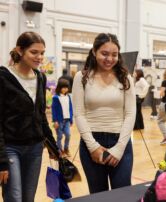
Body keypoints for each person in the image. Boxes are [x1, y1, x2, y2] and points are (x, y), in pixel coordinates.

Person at [72, 33, 136, 194]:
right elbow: (79, 114)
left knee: (122, 194)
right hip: (92, 143)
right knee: (98, 195)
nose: (109, 59)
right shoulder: (82, 77)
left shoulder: (125, 78)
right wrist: (93, 147)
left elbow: (130, 113)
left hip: (120, 140)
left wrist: (120, 148)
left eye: (114, 54)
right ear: (94, 52)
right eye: (104, 53)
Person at [0, 31, 58, 201]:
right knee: (14, 198)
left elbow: (40, 116)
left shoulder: (41, 78)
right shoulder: (3, 77)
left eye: (42, 53)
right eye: (34, 52)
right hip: (10, 148)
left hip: (35, 149)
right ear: (20, 50)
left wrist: (53, 145)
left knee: (28, 198)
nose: (39, 57)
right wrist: (1, 160)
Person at [52, 78, 73, 156]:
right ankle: (60, 150)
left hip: (67, 120)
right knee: (59, 136)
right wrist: (55, 121)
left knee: (68, 135)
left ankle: (66, 149)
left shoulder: (68, 97)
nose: (65, 89)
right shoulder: (56, 98)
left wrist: (71, 119)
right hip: (59, 121)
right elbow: (54, 109)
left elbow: (70, 108)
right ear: (59, 87)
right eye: (63, 87)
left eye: (66, 87)